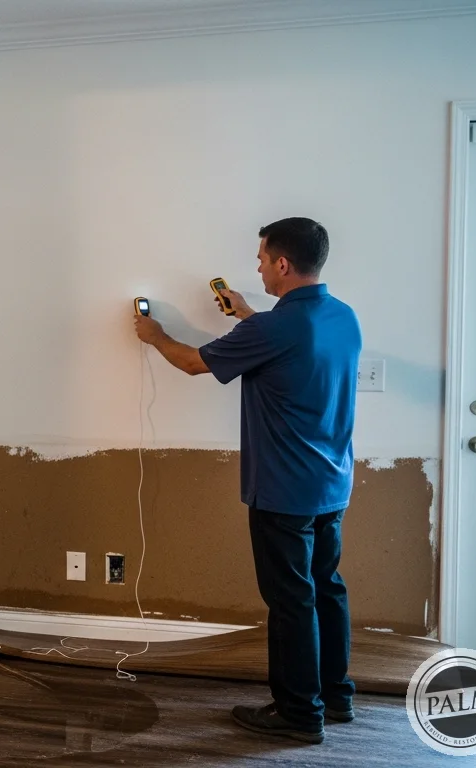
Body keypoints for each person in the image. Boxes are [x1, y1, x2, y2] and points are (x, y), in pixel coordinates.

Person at [132, 217, 361, 745]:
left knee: (290, 601)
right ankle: (335, 696)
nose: (257, 265)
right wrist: (246, 312)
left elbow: (193, 363)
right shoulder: (341, 317)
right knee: (326, 589)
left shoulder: (273, 329)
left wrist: (154, 334)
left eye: (261, 258)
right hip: (331, 483)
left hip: (284, 490)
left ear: (282, 264)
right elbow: (291, 347)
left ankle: (299, 714)